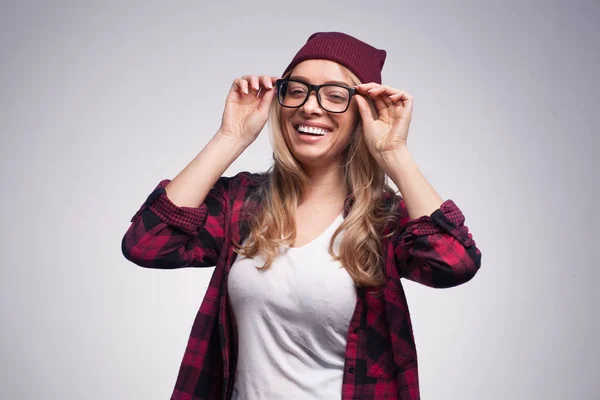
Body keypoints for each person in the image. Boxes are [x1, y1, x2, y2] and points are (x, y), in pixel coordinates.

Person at [122, 32, 482, 400]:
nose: (311, 106)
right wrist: (230, 137)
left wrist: (394, 152)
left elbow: (453, 264)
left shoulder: (383, 220)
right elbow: (146, 244)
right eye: (297, 90)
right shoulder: (243, 202)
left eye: (335, 95)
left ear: (362, 113)